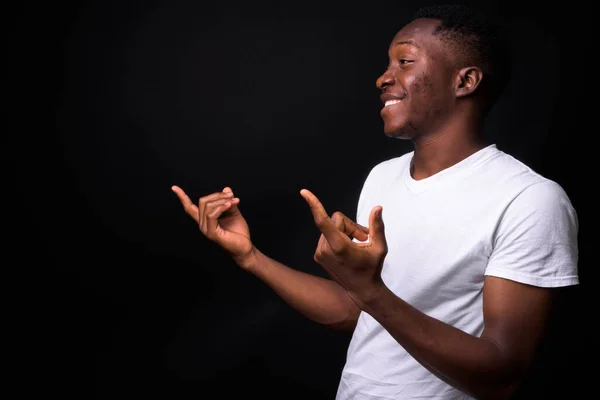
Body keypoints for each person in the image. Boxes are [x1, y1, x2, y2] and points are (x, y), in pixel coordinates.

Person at [171, 4, 579, 399]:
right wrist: (250, 257)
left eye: (405, 62)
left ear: (464, 81)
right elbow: (357, 312)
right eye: (388, 63)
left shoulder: (529, 200)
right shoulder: (384, 177)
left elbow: (501, 376)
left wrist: (371, 294)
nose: (384, 78)